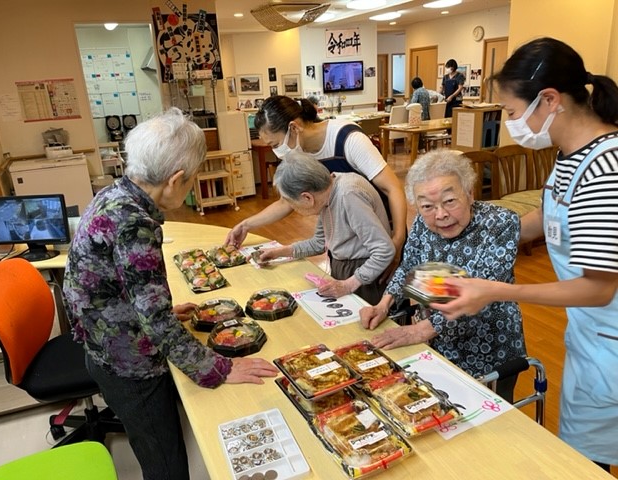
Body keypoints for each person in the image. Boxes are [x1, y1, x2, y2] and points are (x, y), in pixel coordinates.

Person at [432, 38, 618, 472]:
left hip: (608, 337)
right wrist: (471, 227)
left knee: (582, 463)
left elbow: (598, 288)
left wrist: (495, 290)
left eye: (512, 113)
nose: (511, 123)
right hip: (591, 336)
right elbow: (548, 218)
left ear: (549, 100)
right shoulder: (570, 155)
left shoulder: (604, 170)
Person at [62, 108, 278, 480]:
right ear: (176, 179)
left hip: (104, 341)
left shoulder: (114, 192)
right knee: (166, 466)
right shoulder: (135, 222)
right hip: (126, 362)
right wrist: (218, 368)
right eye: (192, 180)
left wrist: (148, 309)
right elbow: (156, 321)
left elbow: (111, 283)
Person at [359, 150, 526, 402]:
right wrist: (384, 304)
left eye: (449, 201)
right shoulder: (422, 224)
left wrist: (420, 331)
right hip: (437, 343)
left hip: (490, 344)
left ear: (469, 193)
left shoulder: (501, 223)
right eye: (427, 206)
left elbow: (478, 295)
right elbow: (409, 268)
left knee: (488, 415)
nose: (440, 215)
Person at [226, 95, 408, 279]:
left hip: (380, 233)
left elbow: (392, 188)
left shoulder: (349, 140)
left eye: (276, 144)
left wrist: (397, 241)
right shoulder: (300, 152)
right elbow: (287, 202)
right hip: (346, 242)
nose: (277, 151)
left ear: (294, 127)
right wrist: (245, 225)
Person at [259, 153, 395, 304]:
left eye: (291, 203)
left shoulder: (348, 195)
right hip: (348, 270)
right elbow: (319, 243)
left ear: (307, 197)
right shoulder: (326, 196)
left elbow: (384, 249)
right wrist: (279, 252)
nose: (293, 208)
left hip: (365, 274)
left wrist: (348, 285)